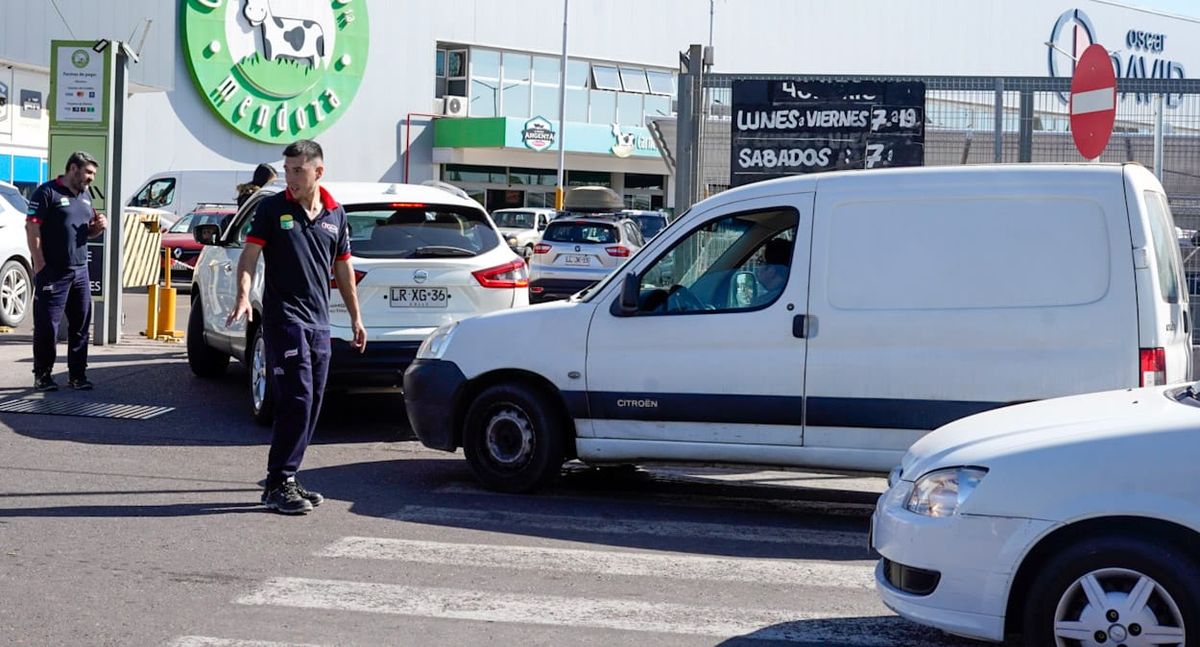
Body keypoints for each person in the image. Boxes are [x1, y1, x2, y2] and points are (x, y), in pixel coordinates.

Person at [228, 140, 366, 515]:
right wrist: (243, 296)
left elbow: (343, 268)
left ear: (318, 171)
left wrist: (355, 317)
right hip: (283, 318)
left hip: (320, 320)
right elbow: (249, 257)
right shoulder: (273, 209)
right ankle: (278, 481)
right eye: (287, 169)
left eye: (298, 170)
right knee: (297, 398)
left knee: (314, 403)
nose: (290, 177)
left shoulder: (336, 214)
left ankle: (288, 477)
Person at [25, 151, 108, 391]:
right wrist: (39, 265)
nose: (92, 178)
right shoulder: (47, 192)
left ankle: (77, 375)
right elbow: (32, 228)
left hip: (80, 271)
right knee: (47, 326)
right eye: (88, 173)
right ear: (73, 168)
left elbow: (86, 232)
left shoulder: (85, 196)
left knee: (81, 325)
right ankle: (42, 374)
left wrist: (97, 229)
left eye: (94, 174)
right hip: (53, 271)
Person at [752, 237, 792, 306]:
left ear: (771, 270)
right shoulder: (792, 294)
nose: (758, 267)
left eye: (760, 261)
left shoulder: (761, 305)